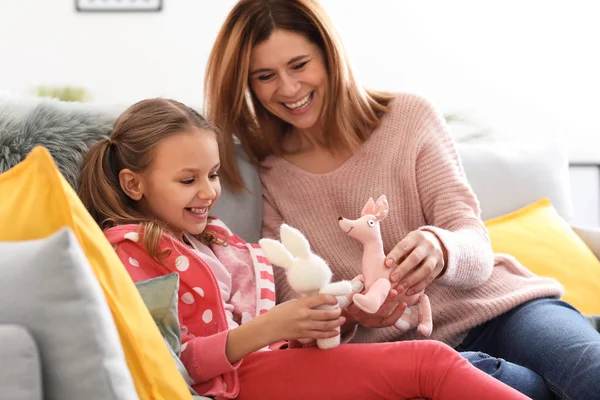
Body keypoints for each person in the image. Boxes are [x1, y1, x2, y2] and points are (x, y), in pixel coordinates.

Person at [204, 1, 600, 399]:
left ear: (329, 55)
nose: (288, 88)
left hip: (504, 309)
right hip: (420, 357)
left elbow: (473, 240)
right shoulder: (265, 173)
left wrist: (441, 246)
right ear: (248, 84)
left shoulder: (408, 117)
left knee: (588, 368)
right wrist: (350, 315)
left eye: (300, 64)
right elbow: (296, 299)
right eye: (265, 76)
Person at [77, 98, 527, 400]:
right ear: (133, 184)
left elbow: (269, 332)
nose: (209, 192)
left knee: (432, 370)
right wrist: (273, 327)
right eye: (188, 179)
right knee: (430, 364)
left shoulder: (218, 242)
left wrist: (323, 320)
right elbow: (174, 362)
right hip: (235, 384)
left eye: (213, 175)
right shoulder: (129, 253)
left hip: (269, 369)